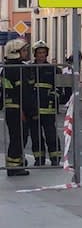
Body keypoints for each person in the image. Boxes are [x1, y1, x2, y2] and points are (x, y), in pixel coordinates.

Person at [2, 38, 34, 176]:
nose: (26, 52)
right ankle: (14, 167)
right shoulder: (17, 69)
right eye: (24, 50)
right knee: (18, 138)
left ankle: (17, 163)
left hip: (12, 108)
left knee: (18, 137)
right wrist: (25, 110)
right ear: (15, 52)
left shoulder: (9, 68)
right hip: (17, 108)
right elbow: (21, 92)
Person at [29, 40, 62, 166]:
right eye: (39, 53)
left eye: (43, 53)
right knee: (36, 136)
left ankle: (55, 158)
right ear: (35, 54)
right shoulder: (29, 69)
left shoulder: (53, 69)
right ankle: (39, 159)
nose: (41, 55)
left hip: (48, 109)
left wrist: (54, 97)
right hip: (33, 109)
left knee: (51, 135)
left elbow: (59, 88)